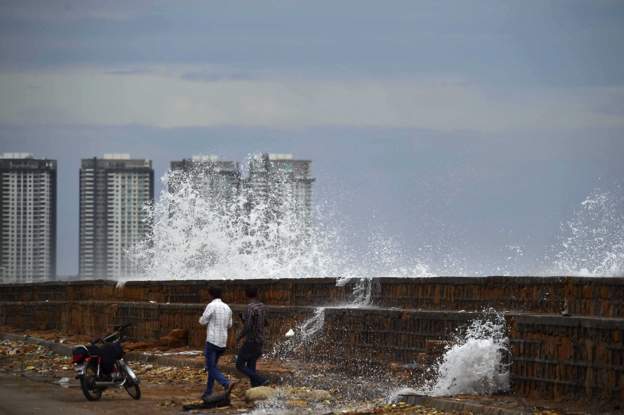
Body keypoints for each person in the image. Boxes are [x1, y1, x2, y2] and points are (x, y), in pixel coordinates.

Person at [199, 286, 236, 401]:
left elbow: (203, 321)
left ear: (210, 295)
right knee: (213, 367)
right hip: (222, 342)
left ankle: (226, 383)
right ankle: (208, 392)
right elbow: (230, 325)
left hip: (212, 341)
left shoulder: (211, 306)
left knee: (210, 367)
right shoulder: (227, 308)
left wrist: (202, 318)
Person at [236, 286, 269, 387]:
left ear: (246, 294)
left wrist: (239, 336)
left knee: (239, 365)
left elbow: (248, 326)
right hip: (260, 339)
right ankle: (255, 387)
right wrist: (244, 319)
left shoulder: (250, 307)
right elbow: (265, 323)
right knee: (251, 365)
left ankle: (261, 379)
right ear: (257, 294)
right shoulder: (262, 306)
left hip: (251, 340)